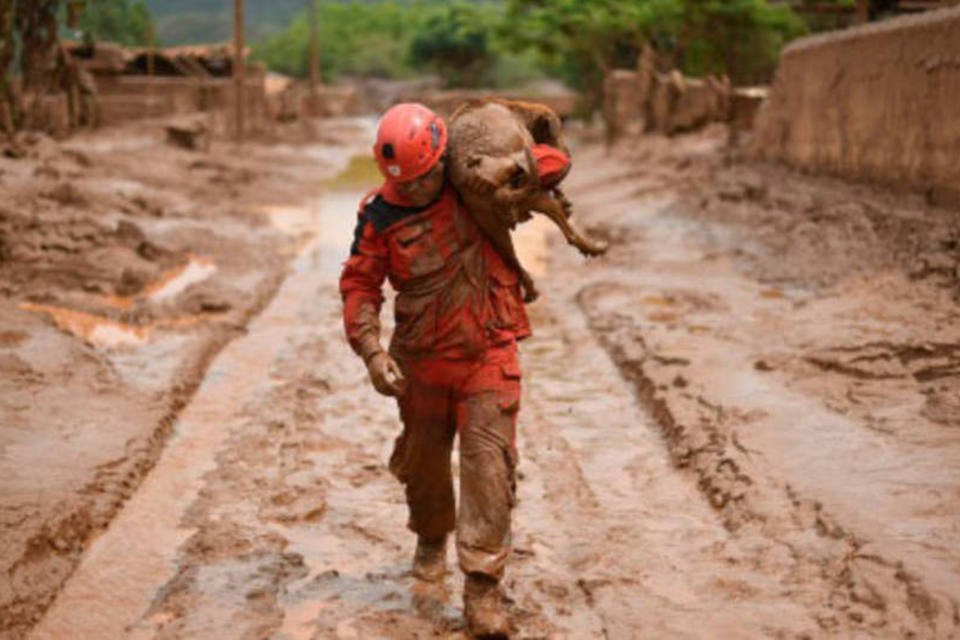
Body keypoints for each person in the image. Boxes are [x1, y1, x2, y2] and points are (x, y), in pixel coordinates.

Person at [339, 103, 568, 637]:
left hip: (488, 351)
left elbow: (550, 163)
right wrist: (372, 351)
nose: (418, 192)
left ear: (445, 158)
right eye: (407, 184)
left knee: (489, 467)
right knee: (425, 471)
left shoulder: (475, 184)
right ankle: (430, 533)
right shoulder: (378, 216)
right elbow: (360, 286)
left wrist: (502, 146)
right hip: (420, 363)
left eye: (426, 179)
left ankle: (482, 588)